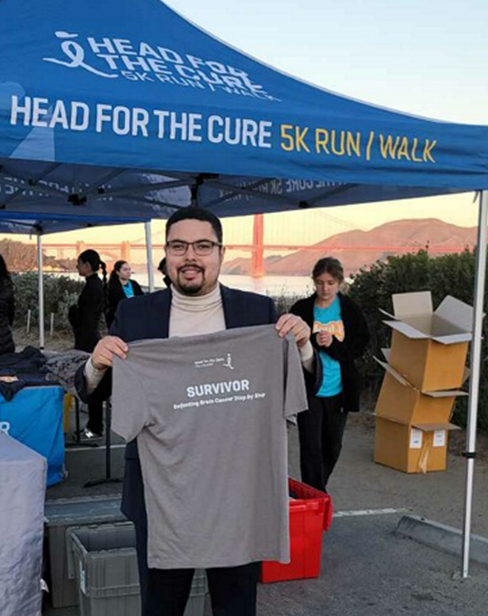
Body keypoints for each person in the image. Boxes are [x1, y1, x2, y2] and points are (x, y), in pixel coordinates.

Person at [74, 206, 319, 616]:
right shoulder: (135, 314)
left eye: (202, 246)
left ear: (221, 253)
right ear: (167, 255)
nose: (190, 256)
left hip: (238, 490)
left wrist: (304, 349)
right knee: (161, 604)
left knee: (236, 603)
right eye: (179, 246)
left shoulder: (258, 314)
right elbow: (92, 394)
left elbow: (304, 391)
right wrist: (96, 364)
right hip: (161, 492)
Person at [290, 257, 370, 492]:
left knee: (332, 446)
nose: (325, 289)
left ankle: (316, 489)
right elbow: (289, 346)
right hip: (310, 388)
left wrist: (332, 344)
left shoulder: (349, 309)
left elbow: (360, 345)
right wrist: (313, 341)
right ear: (314, 282)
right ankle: (315, 497)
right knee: (310, 447)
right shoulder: (301, 309)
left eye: (330, 283)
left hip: (339, 389)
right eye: (320, 283)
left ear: (339, 283)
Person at [69, 249, 107, 439]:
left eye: (79, 263)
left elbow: (87, 318)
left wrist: (74, 314)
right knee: (91, 384)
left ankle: (95, 427)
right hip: (88, 337)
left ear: (86, 265)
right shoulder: (93, 285)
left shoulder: (93, 287)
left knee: (91, 384)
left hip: (88, 340)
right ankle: (94, 425)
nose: (76, 266)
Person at [105, 260, 143, 328]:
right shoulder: (112, 287)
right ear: (117, 272)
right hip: (119, 319)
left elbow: (141, 298)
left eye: (129, 269)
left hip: (135, 317)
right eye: (125, 270)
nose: (128, 272)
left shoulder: (134, 284)